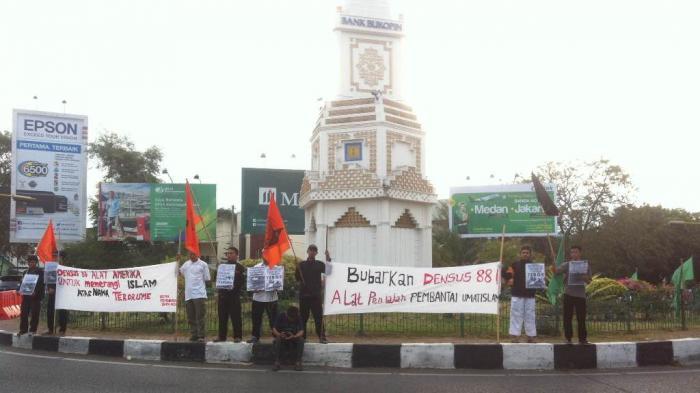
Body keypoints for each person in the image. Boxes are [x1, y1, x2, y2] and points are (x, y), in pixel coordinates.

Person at [555, 245, 592, 345]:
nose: (574, 254)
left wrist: (585, 278)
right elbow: (556, 272)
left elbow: (589, 281)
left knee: (581, 318)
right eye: (572, 252)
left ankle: (582, 339)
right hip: (568, 294)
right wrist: (553, 267)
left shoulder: (586, 265)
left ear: (580, 253)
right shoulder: (567, 265)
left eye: (576, 252)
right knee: (567, 317)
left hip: (580, 295)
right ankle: (568, 338)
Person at [502, 245, 538, 343]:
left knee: (530, 315)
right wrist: (508, 277)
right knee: (515, 314)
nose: (525, 254)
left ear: (530, 254)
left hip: (530, 295)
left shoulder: (534, 266)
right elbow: (507, 273)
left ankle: (531, 336)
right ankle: (514, 336)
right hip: (517, 294)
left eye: (527, 253)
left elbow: (538, 280)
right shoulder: (514, 265)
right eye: (523, 252)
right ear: (520, 254)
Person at [296, 244, 330, 344]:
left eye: (314, 250)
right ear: (307, 251)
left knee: (318, 318)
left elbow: (329, 271)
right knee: (303, 318)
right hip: (304, 296)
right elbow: (297, 278)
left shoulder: (320, 264)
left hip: (316, 296)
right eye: (310, 250)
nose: (312, 252)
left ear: (316, 253)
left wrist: (328, 259)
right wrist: (297, 269)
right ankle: (302, 337)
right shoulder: (301, 265)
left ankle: (321, 337)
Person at [215, 246, 245, 343]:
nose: (229, 255)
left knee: (236, 317)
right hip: (223, 296)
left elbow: (242, 282)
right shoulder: (222, 266)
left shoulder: (240, 268)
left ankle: (238, 336)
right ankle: (221, 336)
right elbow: (216, 279)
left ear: (236, 255)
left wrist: (234, 287)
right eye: (228, 253)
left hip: (234, 297)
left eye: (231, 253)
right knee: (222, 317)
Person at [179, 251, 211, 342]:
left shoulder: (203, 264)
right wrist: (177, 261)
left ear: (198, 254)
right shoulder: (186, 264)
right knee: (190, 316)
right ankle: (194, 334)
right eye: (190, 254)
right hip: (188, 295)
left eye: (193, 254)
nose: (191, 256)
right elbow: (179, 272)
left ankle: (201, 335)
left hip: (199, 294)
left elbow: (207, 278)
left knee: (200, 316)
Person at [247, 258, 278, 344]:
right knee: (256, 319)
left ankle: (276, 337)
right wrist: (253, 288)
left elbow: (279, 283)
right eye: (264, 254)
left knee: (273, 320)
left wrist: (278, 286)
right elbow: (251, 281)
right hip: (258, 298)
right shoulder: (256, 267)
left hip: (272, 298)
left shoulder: (275, 267)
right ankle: (255, 336)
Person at [271, 305, 305, 371]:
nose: (292, 320)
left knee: (301, 340)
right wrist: (279, 334)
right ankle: (277, 362)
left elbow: (301, 331)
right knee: (277, 339)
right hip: (282, 336)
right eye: (290, 318)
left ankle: (298, 362)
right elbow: (274, 329)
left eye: (293, 319)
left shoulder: (298, 316)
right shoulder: (281, 315)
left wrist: (295, 336)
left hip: (293, 336)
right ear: (286, 314)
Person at [18, 255, 44, 336]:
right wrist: (19, 289)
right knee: (24, 313)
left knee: (35, 314)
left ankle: (33, 330)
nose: (31, 263)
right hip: (26, 296)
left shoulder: (40, 272)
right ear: (28, 263)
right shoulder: (25, 272)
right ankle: (23, 329)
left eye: (33, 262)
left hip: (35, 296)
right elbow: (22, 283)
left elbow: (41, 284)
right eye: (30, 262)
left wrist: (35, 291)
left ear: (36, 262)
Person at [45, 251, 69, 335]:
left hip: (62, 293)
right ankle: (50, 329)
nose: (55, 258)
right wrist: (49, 288)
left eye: (57, 256)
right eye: (54, 257)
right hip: (52, 292)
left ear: (62, 258)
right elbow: (48, 279)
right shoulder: (51, 267)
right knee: (50, 311)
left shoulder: (66, 269)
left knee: (63, 311)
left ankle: (62, 329)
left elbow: (67, 281)